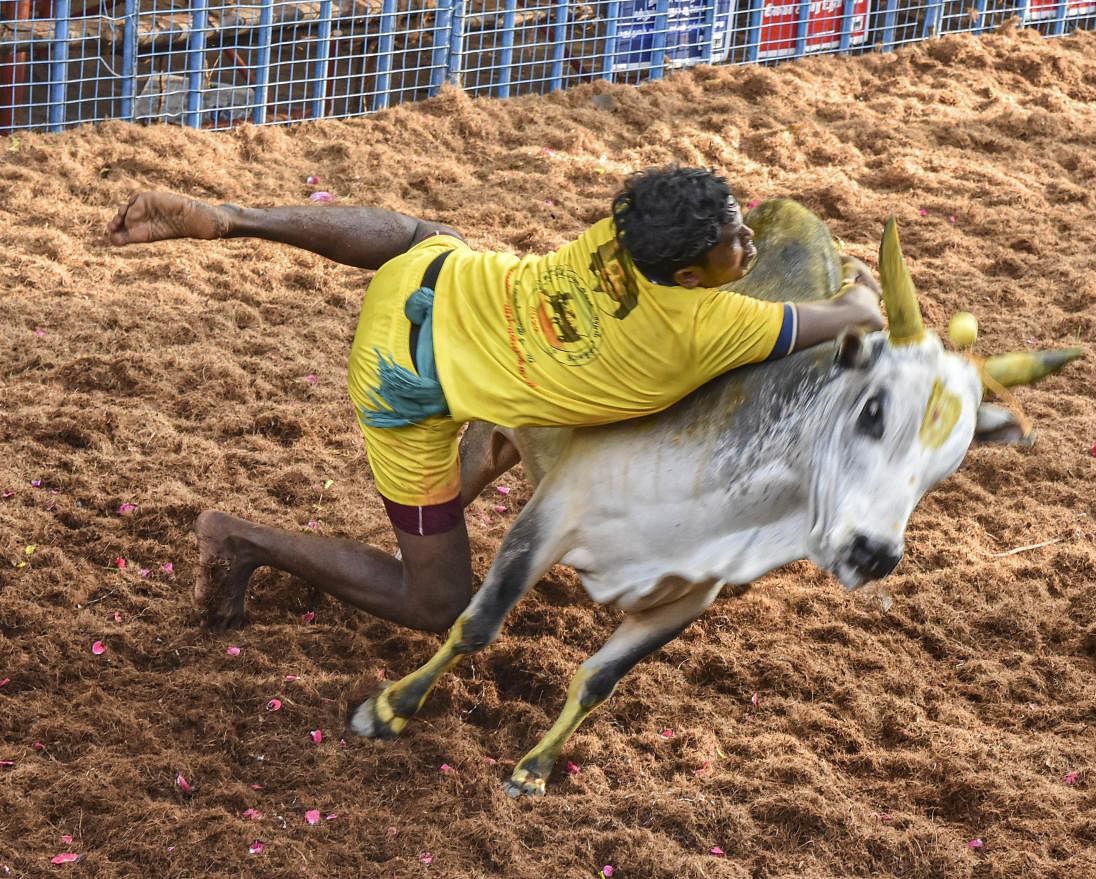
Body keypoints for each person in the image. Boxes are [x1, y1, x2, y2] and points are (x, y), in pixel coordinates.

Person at [107, 165, 883, 634]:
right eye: (733, 241)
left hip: (445, 283)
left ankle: (238, 219)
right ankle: (241, 539)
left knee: (425, 234)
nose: (748, 245)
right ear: (686, 275)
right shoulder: (703, 328)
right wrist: (864, 284)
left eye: (744, 227)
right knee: (437, 599)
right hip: (401, 384)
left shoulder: (621, 233)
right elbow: (855, 312)